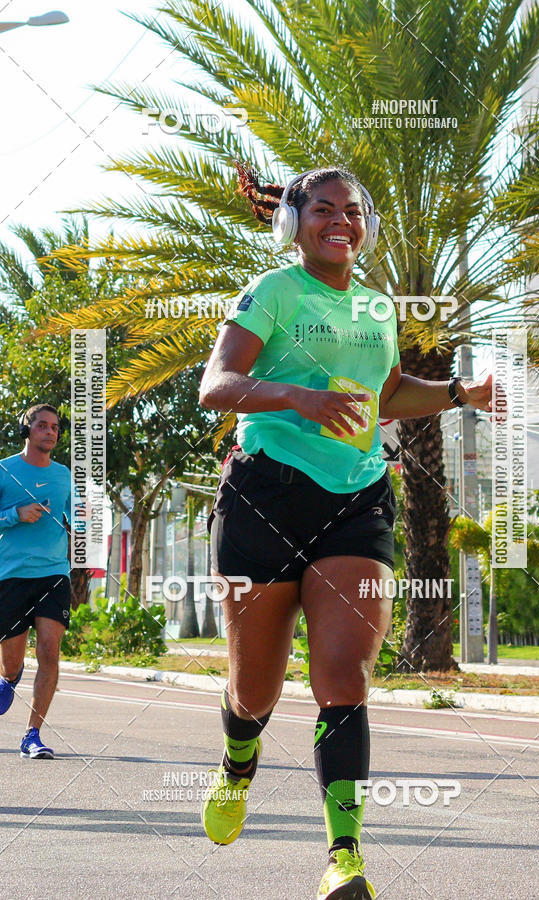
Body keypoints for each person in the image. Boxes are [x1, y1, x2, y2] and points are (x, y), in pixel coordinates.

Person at [199, 165, 492, 899]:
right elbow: (216, 386)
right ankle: (239, 757)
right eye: (322, 208)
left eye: (352, 210)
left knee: (342, 678)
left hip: (356, 503)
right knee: (254, 692)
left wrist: (460, 392)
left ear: (365, 226)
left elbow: (389, 392)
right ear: (292, 222)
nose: (340, 220)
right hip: (266, 496)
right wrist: (297, 395)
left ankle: (344, 854)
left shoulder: (375, 307)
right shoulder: (273, 292)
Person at [0, 404, 72, 759]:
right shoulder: (4, 471)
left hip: (54, 573)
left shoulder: (65, 476)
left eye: (56, 427)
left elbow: (77, 518)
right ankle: (9, 679)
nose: (50, 431)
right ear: (25, 430)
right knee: (11, 661)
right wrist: (15, 515)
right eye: (42, 425)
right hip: (11, 574)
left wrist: (83, 528)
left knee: (49, 650)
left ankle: (33, 734)